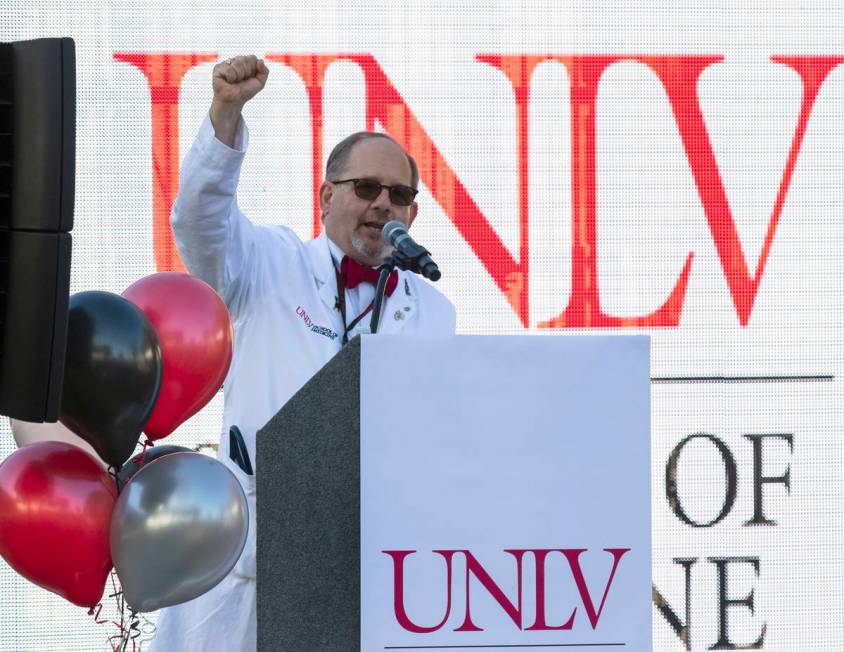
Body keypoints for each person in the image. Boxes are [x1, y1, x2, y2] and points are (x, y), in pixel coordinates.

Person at [149, 55, 456, 651]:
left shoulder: (434, 310)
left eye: (399, 194)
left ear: (413, 213)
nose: (382, 204)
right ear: (325, 197)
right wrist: (226, 113)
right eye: (366, 188)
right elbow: (198, 221)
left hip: (359, 562)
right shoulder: (267, 263)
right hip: (245, 562)